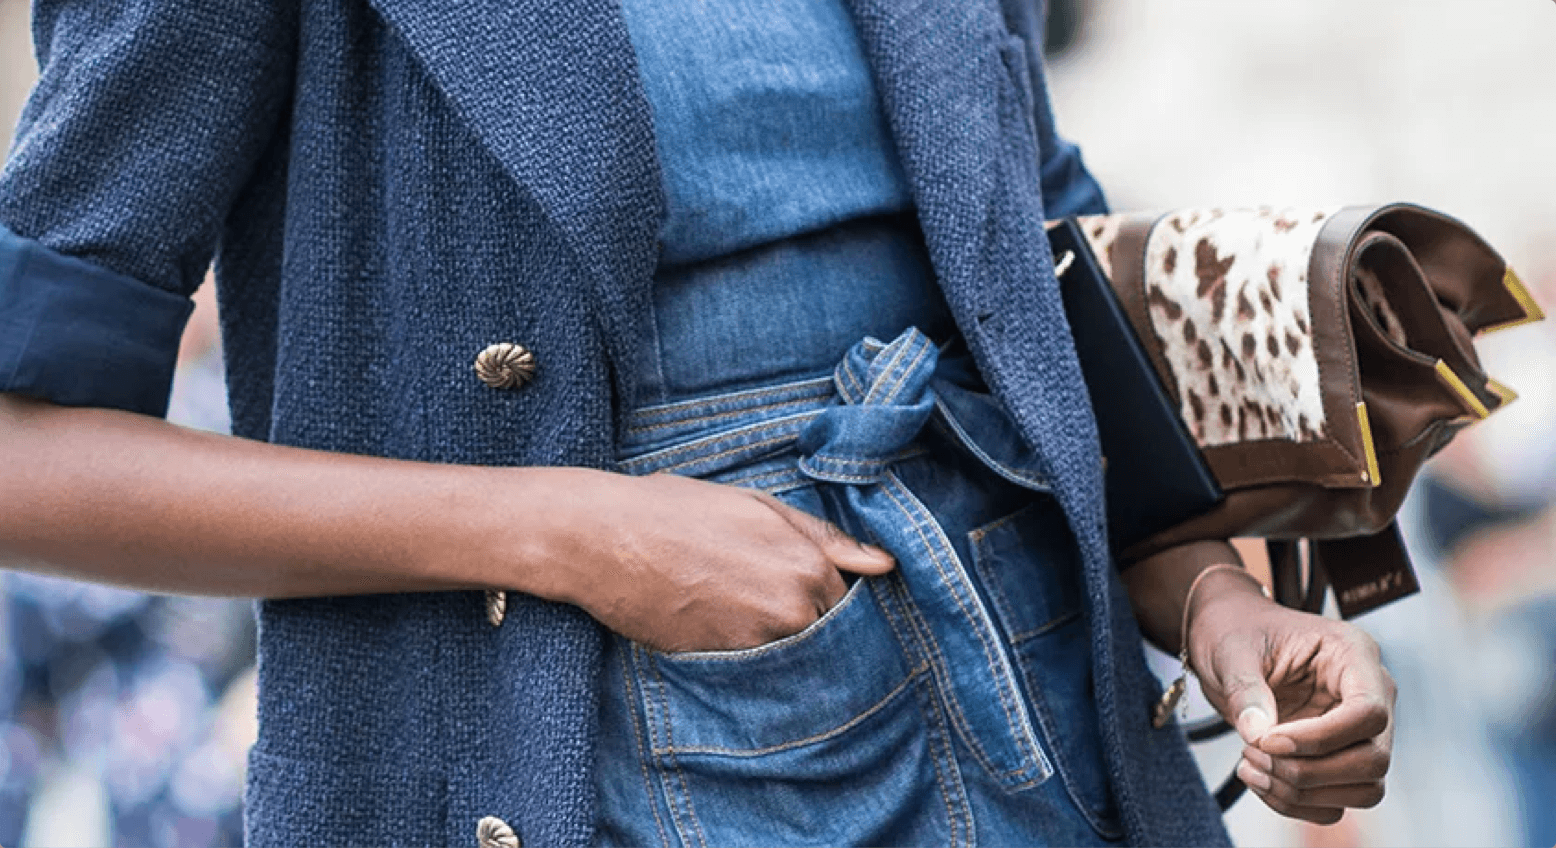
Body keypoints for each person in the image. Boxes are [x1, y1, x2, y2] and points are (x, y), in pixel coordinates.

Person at [0, 0, 1396, 845]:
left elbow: (1030, 294)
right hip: (586, 756)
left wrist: (1208, 595)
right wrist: (558, 529)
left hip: (1052, 731)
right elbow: (25, 452)